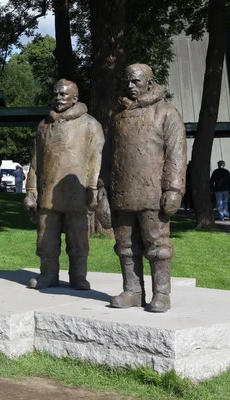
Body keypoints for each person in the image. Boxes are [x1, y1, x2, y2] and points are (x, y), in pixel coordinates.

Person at [109, 64, 187, 313]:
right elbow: (108, 156)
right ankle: (133, 290)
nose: (130, 86)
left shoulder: (166, 113)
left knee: (158, 246)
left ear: (150, 84)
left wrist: (174, 190)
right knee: (125, 245)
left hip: (154, 194)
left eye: (136, 81)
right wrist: (102, 188)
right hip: (122, 191)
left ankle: (161, 293)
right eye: (128, 81)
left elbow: (176, 154)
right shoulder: (118, 117)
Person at [23, 79, 104, 290]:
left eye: (63, 95)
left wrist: (92, 188)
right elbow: (35, 161)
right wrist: (31, 190)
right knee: (46, 239)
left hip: (77, 193)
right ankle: (48, 274)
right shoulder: (44, 126)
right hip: (48, 193)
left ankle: (78, 276)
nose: (58, 98)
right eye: (56, 94)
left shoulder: (90, 125)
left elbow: (96, 160)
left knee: (78, 240)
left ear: (75, 98)